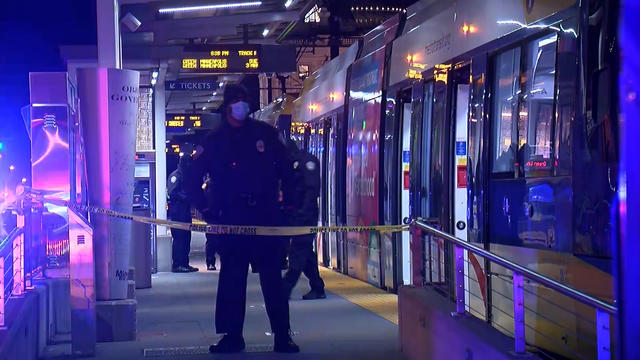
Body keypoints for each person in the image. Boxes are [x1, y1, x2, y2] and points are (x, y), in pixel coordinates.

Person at [184, 84, 299, 354]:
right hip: (231, 220)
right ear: (227, 106)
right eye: (236, 100)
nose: (241, 105)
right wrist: (207, 211)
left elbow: (288, 170)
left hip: (265, 218)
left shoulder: (265, 135)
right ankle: (231, 337)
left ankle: (283, 336)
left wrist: (287, 209)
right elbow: (192, 178)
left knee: (273, 281)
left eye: (244, 100)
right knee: (232, 281)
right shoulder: (214, 141)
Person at [282, 140, 326, 300]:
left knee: (298, 252)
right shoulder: (292, 162)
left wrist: (302, 214)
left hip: (305, 217)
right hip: (297, 216)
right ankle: (317, 287)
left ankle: (285, 288)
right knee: (305, 253)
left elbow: (311, 189)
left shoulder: (306, 162)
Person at [167, 153, 198, 273]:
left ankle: (184, 263)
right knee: (179, 239)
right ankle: (177, 264)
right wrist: (187, 197)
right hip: (177, 212)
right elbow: (172, 192)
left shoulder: (185, 176)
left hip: (185, 212)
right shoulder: (175, 176)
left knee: (186, 238)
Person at [201, 175, 219, 271]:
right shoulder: (207, 184)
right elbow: (201, 196)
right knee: (211, 240)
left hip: (222, 214)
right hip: (211, 215)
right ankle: (210, 262)